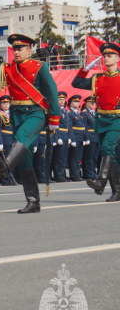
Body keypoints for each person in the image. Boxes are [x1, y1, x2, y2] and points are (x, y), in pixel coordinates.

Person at [0, 33, 60, 213]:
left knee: (21, 138)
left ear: (29, 50)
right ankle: (33, 201)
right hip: (17, 114)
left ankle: (6, 166)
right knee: (25, 159)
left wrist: (54, 118)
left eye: (20, 48)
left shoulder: (40, 67)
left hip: (36, 113)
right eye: (14, 48)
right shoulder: (8, 68)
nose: (16, 51)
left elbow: (52, 92)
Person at [72, 43, 120, 201]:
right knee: (111, 155)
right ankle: (117, 191)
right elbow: (76, 84)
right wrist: (85, 70)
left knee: (107, 148)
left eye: (110, 55)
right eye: (105, 56)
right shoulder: (97, 78)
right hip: (101, 120)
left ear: (117, 58)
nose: (106, 58)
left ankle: (101, 181)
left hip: (117, 119)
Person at [51, 91, 71, 182]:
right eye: (60, 99)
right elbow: (55, 124)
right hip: (60, 135)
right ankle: (58, 175)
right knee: (58, 157)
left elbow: (68, 125)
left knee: (64, 157)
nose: (62, 101)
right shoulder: (56, 110)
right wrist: (57, 137)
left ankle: (62, 174)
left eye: (63, 100)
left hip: (65, 135)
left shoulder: (65, 110)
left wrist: (70, 136)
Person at [66, 94, 85, 181]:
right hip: (75, 138)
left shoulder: (78, 113)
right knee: (74, 157)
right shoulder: (70, 113)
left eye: (78, 102)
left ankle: (78, 173)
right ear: (70, 103)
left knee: (78, 157)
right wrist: (72, 139)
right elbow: (70, 127)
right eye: (75, 101)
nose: (77, 103)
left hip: (80, 138)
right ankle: (74, 175)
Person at [81, 96, 98, 180]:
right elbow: (85, 127)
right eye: (91, 102)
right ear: (86, 103)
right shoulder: (84, 113)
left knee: (95, 156)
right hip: (90, 137)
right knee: (89, 157)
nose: (93, 104)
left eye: (94, 103)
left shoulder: (95, 113)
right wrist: (86, 138)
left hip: (96, 137)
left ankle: (93, 172)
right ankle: (88, 173)